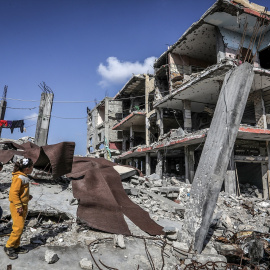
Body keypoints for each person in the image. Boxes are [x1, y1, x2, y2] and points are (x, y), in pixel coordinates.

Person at [4, 158, 33, 260]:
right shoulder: (19, 178)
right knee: (18, 228)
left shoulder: (23, 176)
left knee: (20, 227)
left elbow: (20, 191)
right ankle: (9, 246)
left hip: (23, 204)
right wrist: (18, 206)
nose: (33, 168)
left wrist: (26, 196)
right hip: (18, 207)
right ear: (27, 168)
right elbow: (13, 193)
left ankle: (16, 246)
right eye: (32, 167)